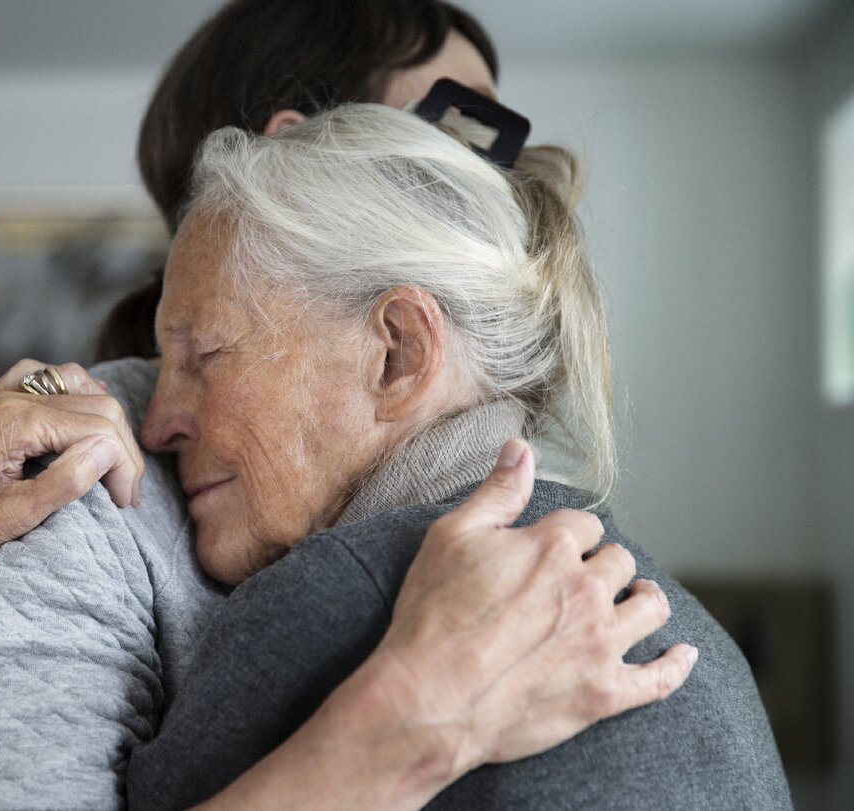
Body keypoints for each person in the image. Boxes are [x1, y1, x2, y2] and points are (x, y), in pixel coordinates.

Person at [0, 2, 695, 807]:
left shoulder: (533, 515)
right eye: (461, 131)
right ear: (303, 147)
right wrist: (410, 723)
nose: (495, 187)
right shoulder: (92, 478)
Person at [114, 102, 789, 808]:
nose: (156, 424)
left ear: (398, 353)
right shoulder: (691, 628)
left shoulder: (322, 606)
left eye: (206, 353)